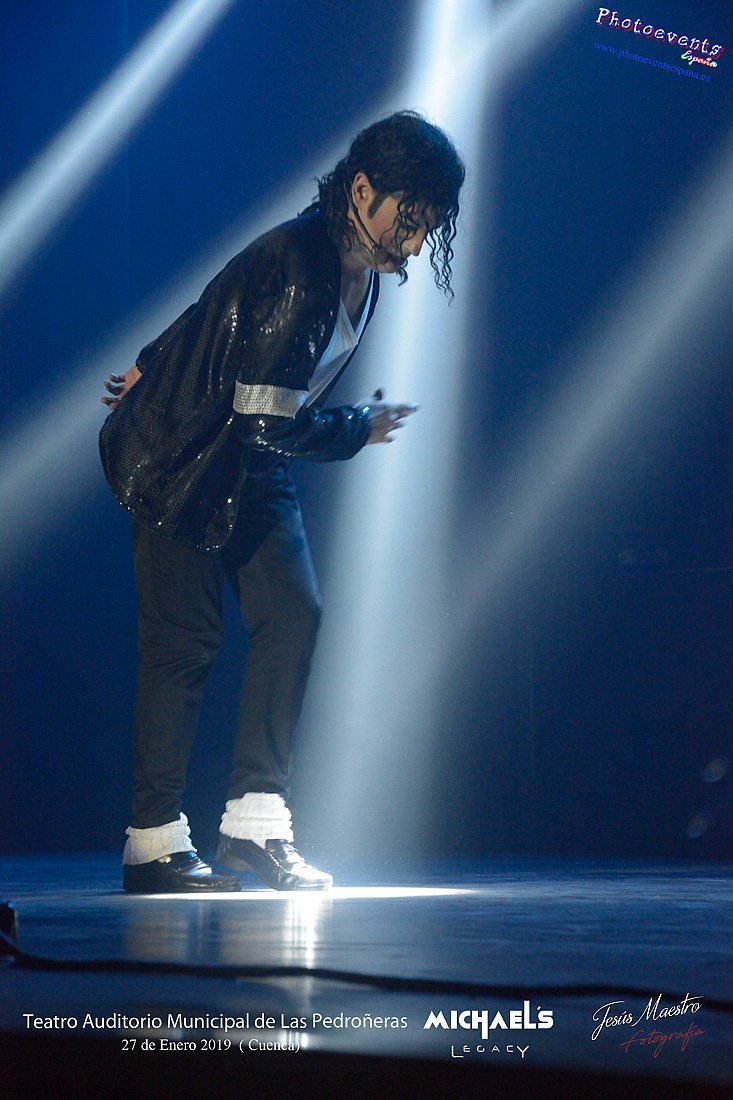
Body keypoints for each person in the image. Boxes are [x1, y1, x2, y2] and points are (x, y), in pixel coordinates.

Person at [99, 111, 464, 893]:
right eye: (406, 221)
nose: (411, 244)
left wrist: (153, 362)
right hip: (182, 461)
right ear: (361, 190)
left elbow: (220, 303)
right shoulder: (301, 260)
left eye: (424, 228)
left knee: (293, 615)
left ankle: (255, 827)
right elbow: (266, 414)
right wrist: (356, 427)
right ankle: (152, 844)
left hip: (246, 459)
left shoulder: (353, 267)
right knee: (183, 644)